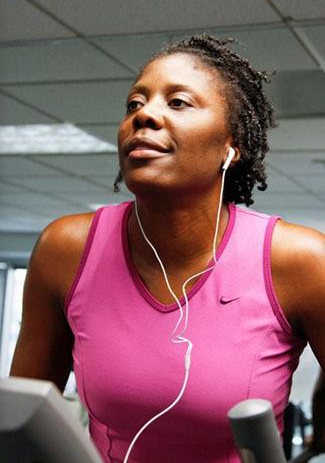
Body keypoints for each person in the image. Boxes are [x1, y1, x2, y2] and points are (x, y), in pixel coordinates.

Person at [10, 35, 325, 463]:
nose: (145, 115)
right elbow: (19, 427)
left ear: (231, 145)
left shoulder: (301, 261)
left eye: (178, 102)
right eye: (134, 104)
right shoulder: (65, 250)